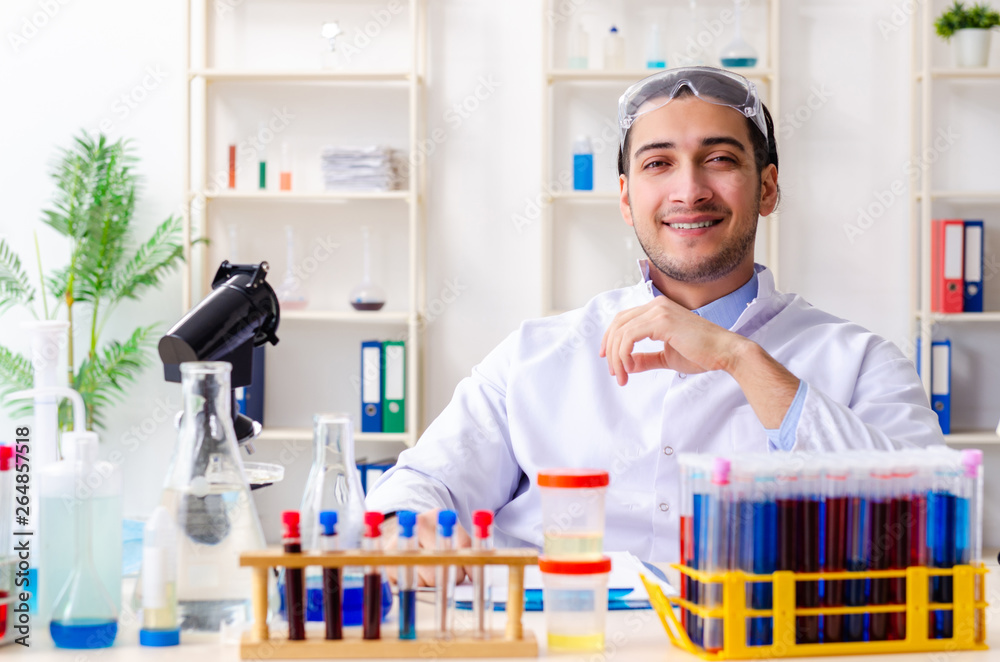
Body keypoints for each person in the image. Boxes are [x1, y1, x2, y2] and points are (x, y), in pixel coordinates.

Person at [365, 66, 942, 582]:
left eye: (719, 159)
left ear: (766, 187)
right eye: (658, 163)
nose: (688, 190)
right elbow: (427, 481)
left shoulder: (860, 360)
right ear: (625, 197)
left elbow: (927, 521)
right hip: (559, 640)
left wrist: (739, 357)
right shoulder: (535, 354)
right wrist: (405, 527)